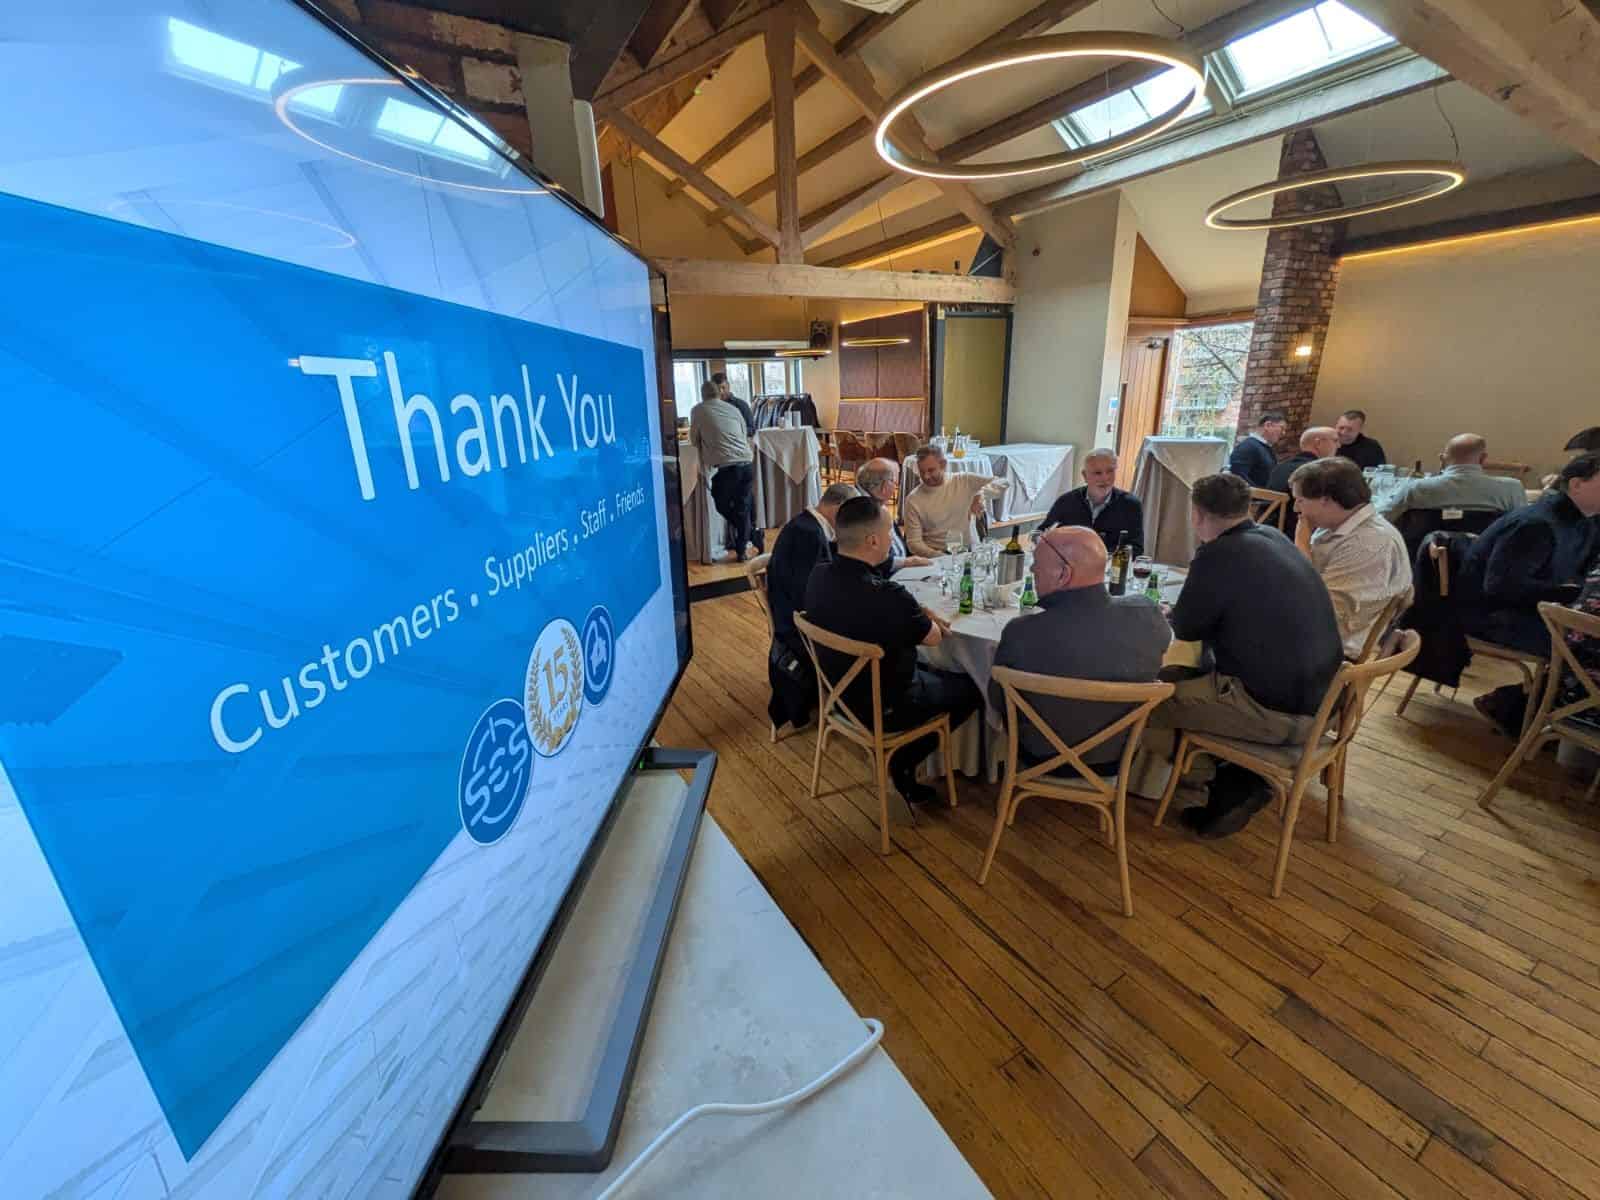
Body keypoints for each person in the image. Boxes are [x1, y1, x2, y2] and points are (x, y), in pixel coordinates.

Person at [1138, 472, 1344, 838]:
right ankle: (1233, 771)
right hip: (1327, 702)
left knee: (1143, 702)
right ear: (1246, 508)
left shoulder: (1217, 554)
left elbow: (1187, 628)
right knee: (1183, 676)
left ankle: (1230, 779)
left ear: (1196, 514)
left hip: (1277, 715)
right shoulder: (1275, 538)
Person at [804, 498, 981, 806]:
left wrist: (915, 612)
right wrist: (923, 613)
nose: (892, 538)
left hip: (837, 694)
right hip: (885, 705)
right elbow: (934, 637)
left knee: (935, 670)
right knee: (973, 687)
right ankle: (904, 759)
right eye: (889, 531)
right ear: (873, 540)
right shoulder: (887, 595)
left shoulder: (818, 575)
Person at [989, 526, 1170, 770]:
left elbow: (998, 701)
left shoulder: (1021, 632)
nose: (1032, 571)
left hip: (1038, 755)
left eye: (1036, 564)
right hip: (1116, 758)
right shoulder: (1147, 614)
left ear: (1063, 574)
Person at [1458, 453, 1600, 734]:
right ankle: (1526, 714)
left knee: (1587, 644)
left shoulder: (1584, 521)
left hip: (1527, 611)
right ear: (1576, 485)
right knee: (1586, 650)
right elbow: (1500, 588)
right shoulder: (1536, 524)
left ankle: (1518, 708)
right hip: (1490, 616)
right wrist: (1568, 595)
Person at [1288, 457, 1413, 659]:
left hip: (1327, 651)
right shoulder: (1336, 525)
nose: (1296, 508)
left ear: (1326, 499)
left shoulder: (1369, 543)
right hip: (1313, 633)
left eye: (1300, 500)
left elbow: (1322, 615)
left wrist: (1301, 546)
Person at [766, 483, 857, 732]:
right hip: (797, 630)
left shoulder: (807, 525)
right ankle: (854, 706)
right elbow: (809, 597)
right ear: (839, 507)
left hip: (794, 616)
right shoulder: (808, 534)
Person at [688, 379, 760, 561]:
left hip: (728, 467)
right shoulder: (733, 409)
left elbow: (693, 440)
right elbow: (743, 434)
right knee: (742, 507)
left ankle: (746, 533)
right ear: (718, 394)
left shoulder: (698, 410)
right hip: (747, 463)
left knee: (720, 503)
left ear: (702, 395)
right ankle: (743, 546)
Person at [1381, 434, 1527, 521]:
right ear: (1483, 458)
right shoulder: (1512, 488)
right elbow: (1523, 527)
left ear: (1444, 459)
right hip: (1487, 561)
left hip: (1426, 559)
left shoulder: (1416, 488)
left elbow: (1384, 519)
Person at [902, 444, 1009, 558]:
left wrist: (980, 496)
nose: (926, 476)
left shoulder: (963, 480)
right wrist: (941, 557)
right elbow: (914, 543)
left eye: (931, 470)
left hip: (969, 552)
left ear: (943, 465)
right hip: (936, 555)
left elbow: (1004, 482)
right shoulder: (913, 499)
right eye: (922, 472)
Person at [1037, 448, 1145, 556]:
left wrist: (1102, 554)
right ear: (1085, 476)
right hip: (1069, 562)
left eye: (1110, 471)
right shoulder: (1066, 501)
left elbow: (1137, 548)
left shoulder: (1131, 505)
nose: (1105, 478)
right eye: (1097, 473)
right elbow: (1041, 534)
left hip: (1109, 563)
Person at [856, 458, 933, 574]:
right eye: (895, 483)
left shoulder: (876, 503)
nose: (895, 488)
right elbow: (874, 559)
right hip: (884, 578)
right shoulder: (862, 512)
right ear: (884, 487)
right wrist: (907, 562)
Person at [1265, 425, 1339, 539]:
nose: (1339, 445)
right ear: (1318, 443)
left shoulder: (1280, 467)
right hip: (1294, 534)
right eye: (1335, 440)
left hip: (1266, 528)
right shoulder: (1319, 473)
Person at [1227, 411, 1287, 488]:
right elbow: (1237, 478)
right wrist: (1262, 493)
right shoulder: (1248, 446)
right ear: (1268, 425)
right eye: (1282, 428)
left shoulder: (1262, 446)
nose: (1283, 433)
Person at [711, 370, 756, 436]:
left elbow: (752, 429)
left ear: (728, 386)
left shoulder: (741, 405)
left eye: (723, 387)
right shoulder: (710, 408)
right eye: (717, 389)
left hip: (737, 441)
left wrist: (733, 431)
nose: (721, 392)